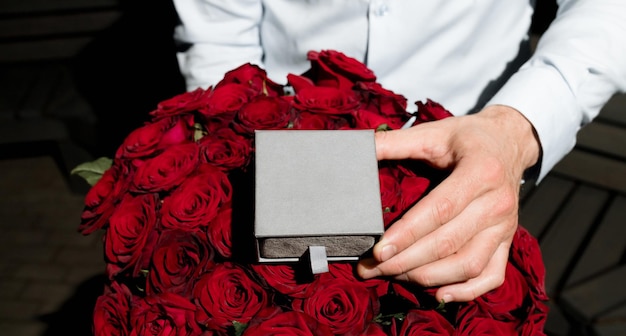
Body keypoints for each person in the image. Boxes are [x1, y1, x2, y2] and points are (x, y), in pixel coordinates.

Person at [170, 0, 626, 302]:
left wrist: (516, 130)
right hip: (288, 161)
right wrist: (242, 152)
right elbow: (218, 32)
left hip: (472, 155)